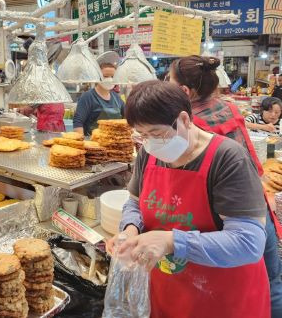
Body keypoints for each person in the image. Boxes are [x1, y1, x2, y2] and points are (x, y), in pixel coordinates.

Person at [108, 80, 269, 317]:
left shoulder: (227, 158)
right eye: (141, 135)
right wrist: (130, 229)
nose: (150, 142)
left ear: (184, 119)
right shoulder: (148, 153)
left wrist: (172, 242)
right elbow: (134, 202)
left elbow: (249, 242)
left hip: (223, 299)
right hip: (168, 293)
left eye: (157, 133)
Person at [169, 55, 282, 315]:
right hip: (257, 202)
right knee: (273, 278)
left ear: (184, 91)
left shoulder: (191, 126)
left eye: (169, 82)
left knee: (233, 287)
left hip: (228, 217)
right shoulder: (228, 107)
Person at [73, 63, 124, 136]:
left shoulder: (117, 98)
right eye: (105, 76)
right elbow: (78, 122)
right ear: (97, 77)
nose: (109, 79)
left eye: (112, 77)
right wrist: (81, 142)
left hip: (114, 142)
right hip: (93, 143)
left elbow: (127, 119)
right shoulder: (88, 97)